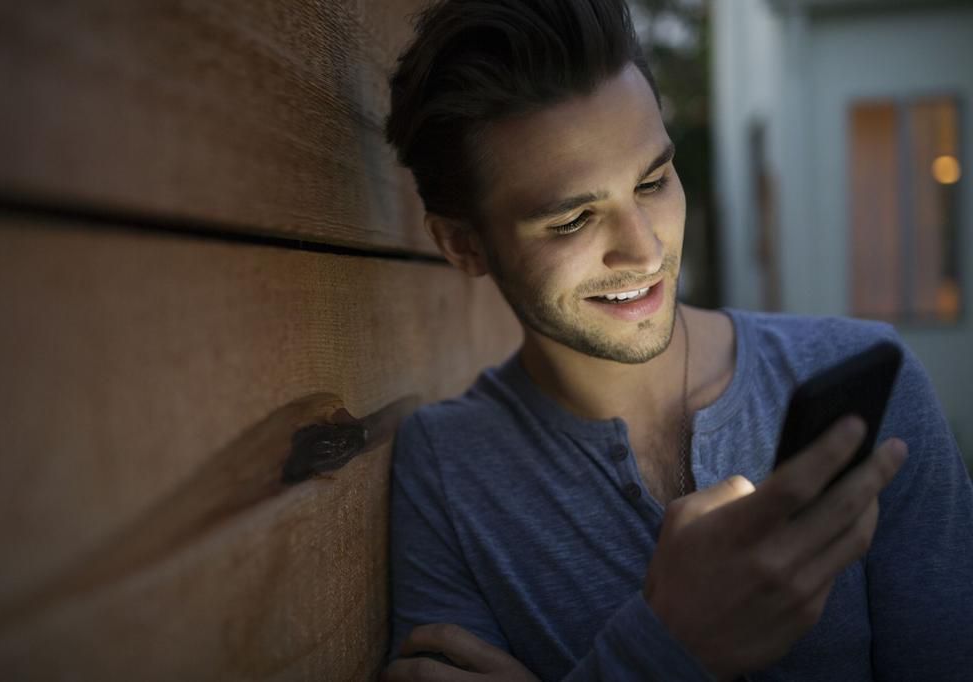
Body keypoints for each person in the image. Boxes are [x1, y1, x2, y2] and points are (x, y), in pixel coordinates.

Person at [379, 1, 973, 679]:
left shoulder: (868, 385)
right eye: (574, 219)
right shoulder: (449, 471)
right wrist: (668, 648)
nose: (644, 248)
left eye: (654, 181)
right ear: (463, 244)